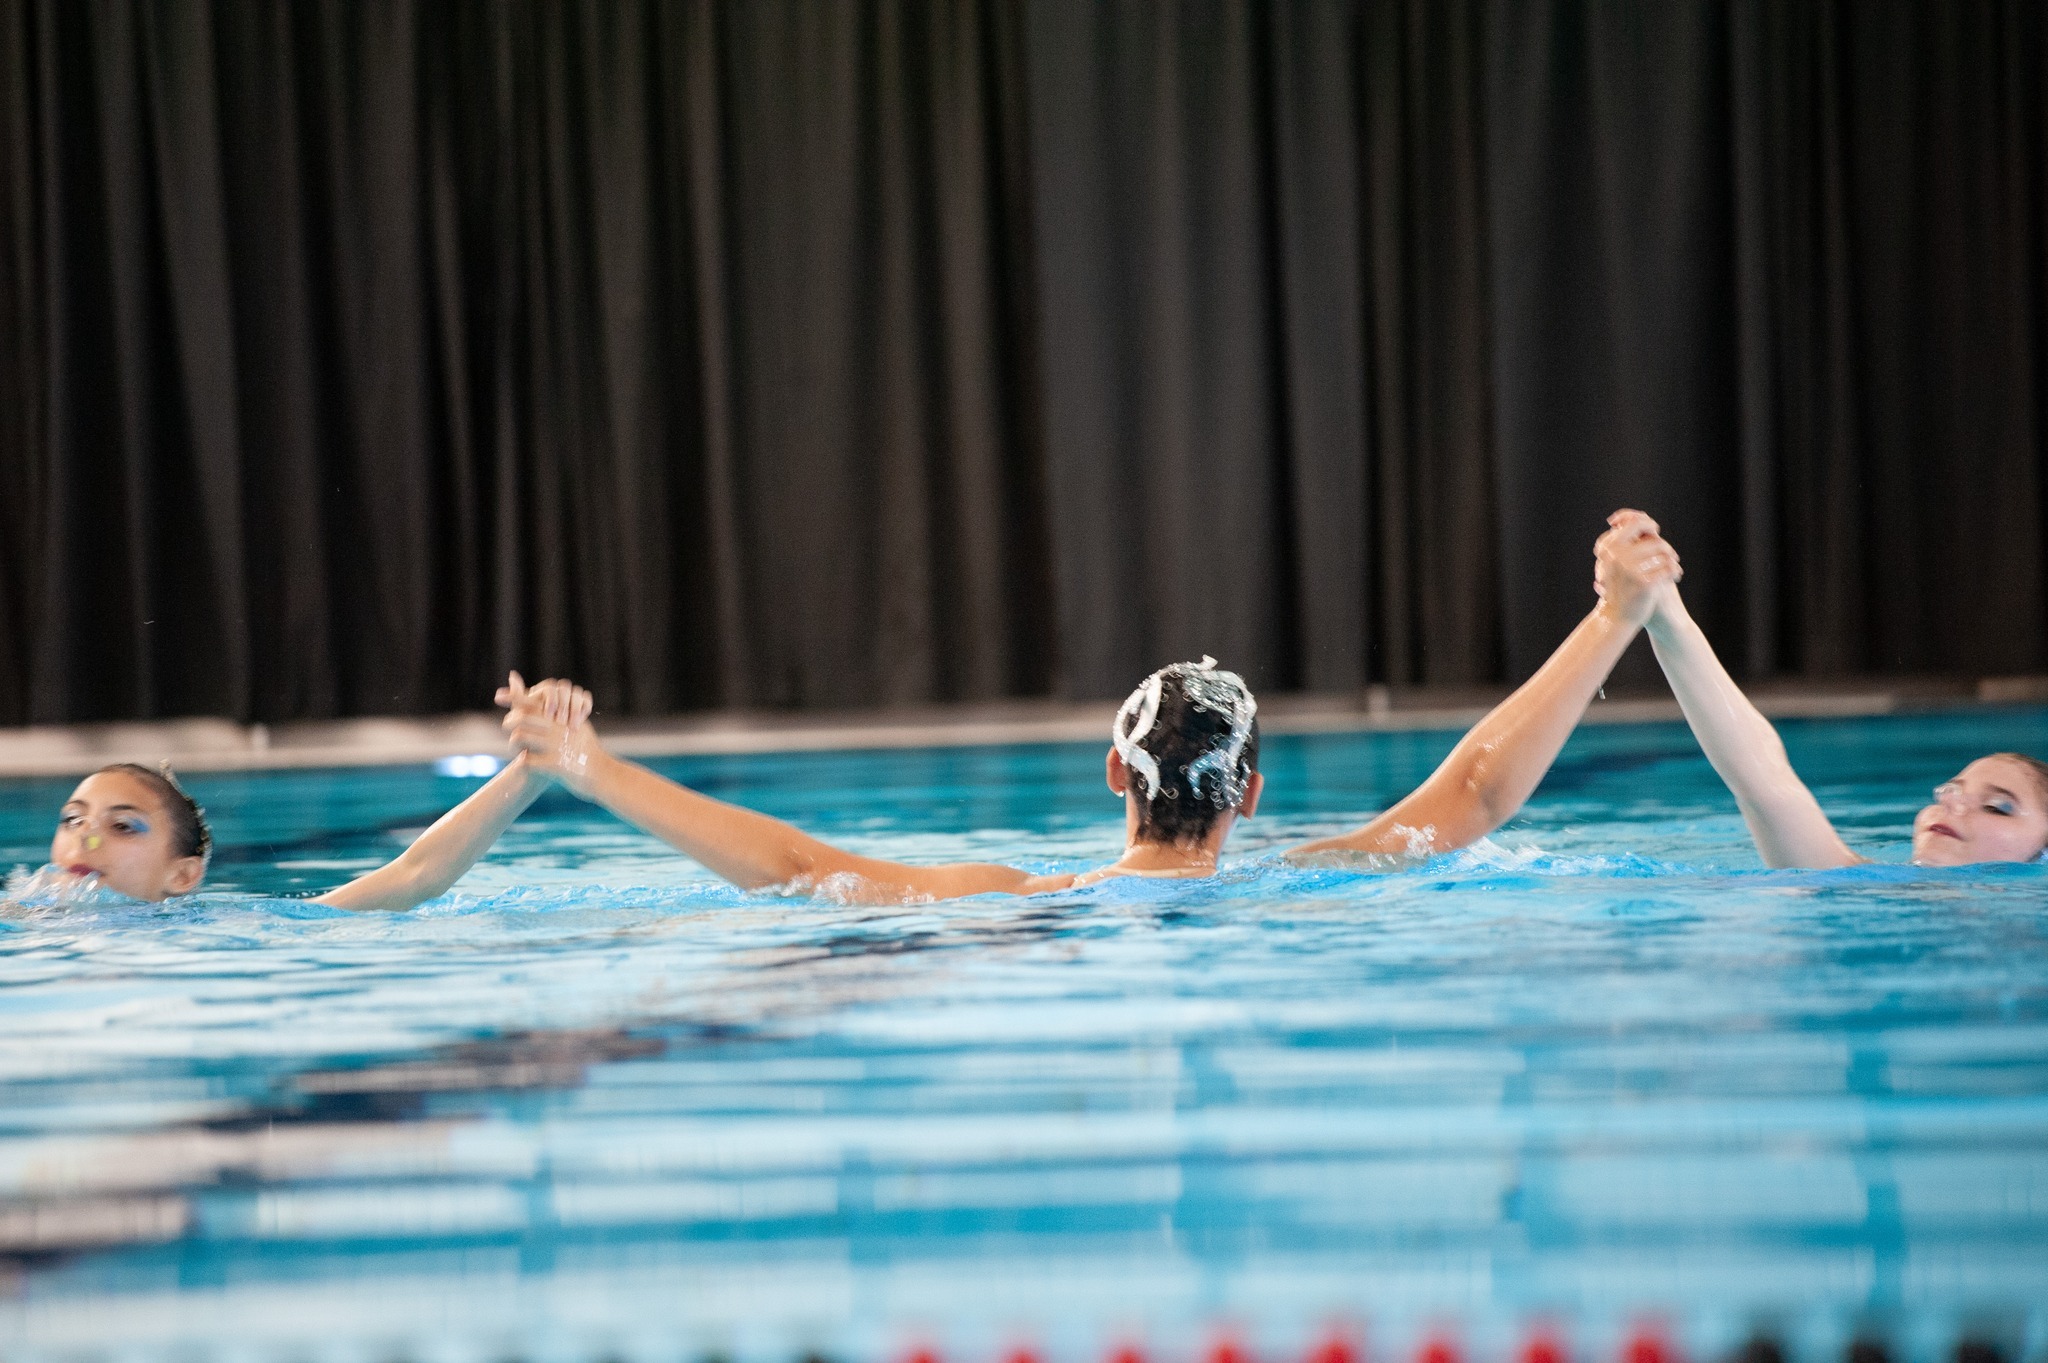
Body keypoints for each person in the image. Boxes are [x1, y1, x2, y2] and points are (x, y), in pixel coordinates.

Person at [496, 515, 1682, 902]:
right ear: (1250, 795)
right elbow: (1474, 787)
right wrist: (1610, 616)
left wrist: (589, 765)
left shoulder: (1017, 906)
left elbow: (795, 862)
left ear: (1114, 773)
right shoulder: (1315, 886)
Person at [1607, 508, 2048, 867]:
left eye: (1998, 806)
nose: (1952, 806)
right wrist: (1663, 610)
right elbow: (1763, 782)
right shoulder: (1852, 883)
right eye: (1950, 792)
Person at [35, 673, 590, 910]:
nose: (86, 839)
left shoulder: (233, 932)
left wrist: (533, 769)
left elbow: (415, 876)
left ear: (183, 876)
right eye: (72, 819)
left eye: (123, 824)